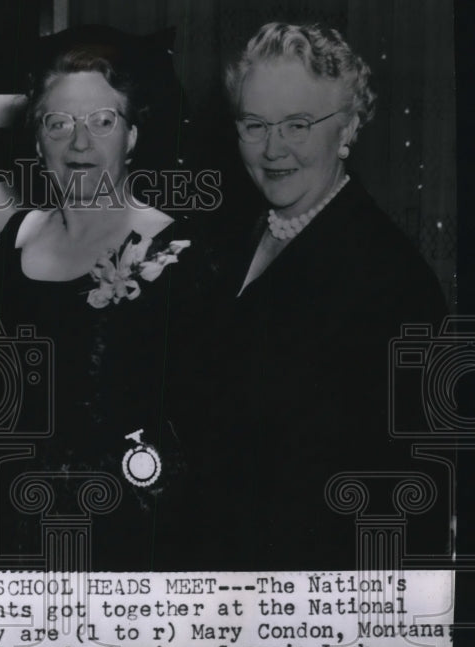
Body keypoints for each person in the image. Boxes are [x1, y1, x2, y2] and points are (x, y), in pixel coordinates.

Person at [173, 22, 448, 569]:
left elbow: (405, 502)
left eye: (298, 124)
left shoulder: (391, 282)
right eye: (254, 124)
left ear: (346, 130)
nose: (273, 149)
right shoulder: (242, 238)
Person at [0, 49, 200, 571]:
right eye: (58, 123)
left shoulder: (177, 252)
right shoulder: (13, 239)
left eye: (102, 122)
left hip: (132, 533)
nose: (79, 142)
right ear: (38, 142)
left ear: (130, 137)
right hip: (20, 530)